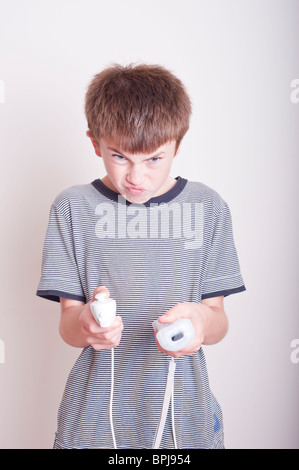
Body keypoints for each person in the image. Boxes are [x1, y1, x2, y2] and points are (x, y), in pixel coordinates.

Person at [36, 63, 245, 449]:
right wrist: (86, 321)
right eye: (120, 157)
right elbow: (67, 326)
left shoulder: (208, 207)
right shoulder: (71, 208)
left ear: (177, 146)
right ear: (95, 143)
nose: (137, 177)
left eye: (154, 159)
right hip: (95, 421)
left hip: (184, 419)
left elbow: (218, 322)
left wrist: (201, 318)